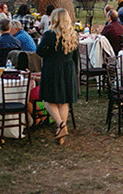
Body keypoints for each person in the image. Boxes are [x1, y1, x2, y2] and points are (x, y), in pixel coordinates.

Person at [37, 8, 79, 145]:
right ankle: (61, 131)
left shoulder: (50, 34)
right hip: (68, 68)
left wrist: (49, 53)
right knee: (63, 100)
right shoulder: (73, 34)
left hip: (53, 68)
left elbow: (39, 51)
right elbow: (75, 56)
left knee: (47, 98)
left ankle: (61, 125)